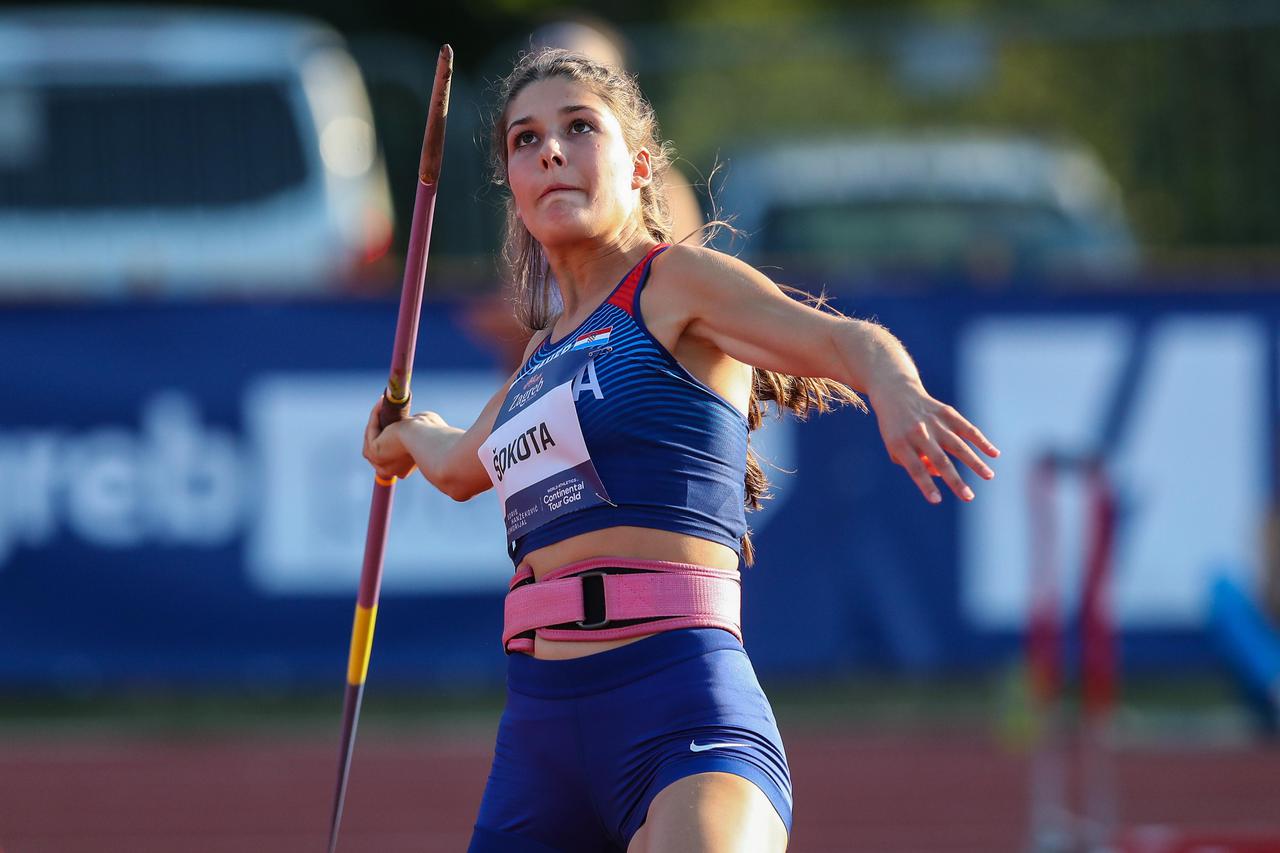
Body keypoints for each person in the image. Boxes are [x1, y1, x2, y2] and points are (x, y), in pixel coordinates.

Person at [363, 48, 999, 853]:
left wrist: (893, 383)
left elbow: (844, 340)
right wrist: (403, 434)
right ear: (514, 188)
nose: (550, 149)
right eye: (525, 140)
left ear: (638, 168)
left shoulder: (675, 286)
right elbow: (461, 466)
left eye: (578, 127)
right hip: (538, 733)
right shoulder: (538, 361)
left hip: (680, 710)